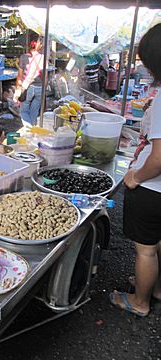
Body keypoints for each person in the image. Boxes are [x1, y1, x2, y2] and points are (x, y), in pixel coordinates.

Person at [110, 23, 161, 317]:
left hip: (153, 189)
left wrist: (135, 177)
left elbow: (158, 157)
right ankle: (155, 287)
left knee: (146, 250)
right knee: (157, 243)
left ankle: (139, 301)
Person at [14, 34, 44, 126]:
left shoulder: (23, 57)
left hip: (28, 88)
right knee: (34, 113)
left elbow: (20, 76)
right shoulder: (44, 57)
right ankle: (33, 131)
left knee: (24, 111)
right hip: (40, 88)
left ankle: (28, 130)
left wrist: (17, 89)